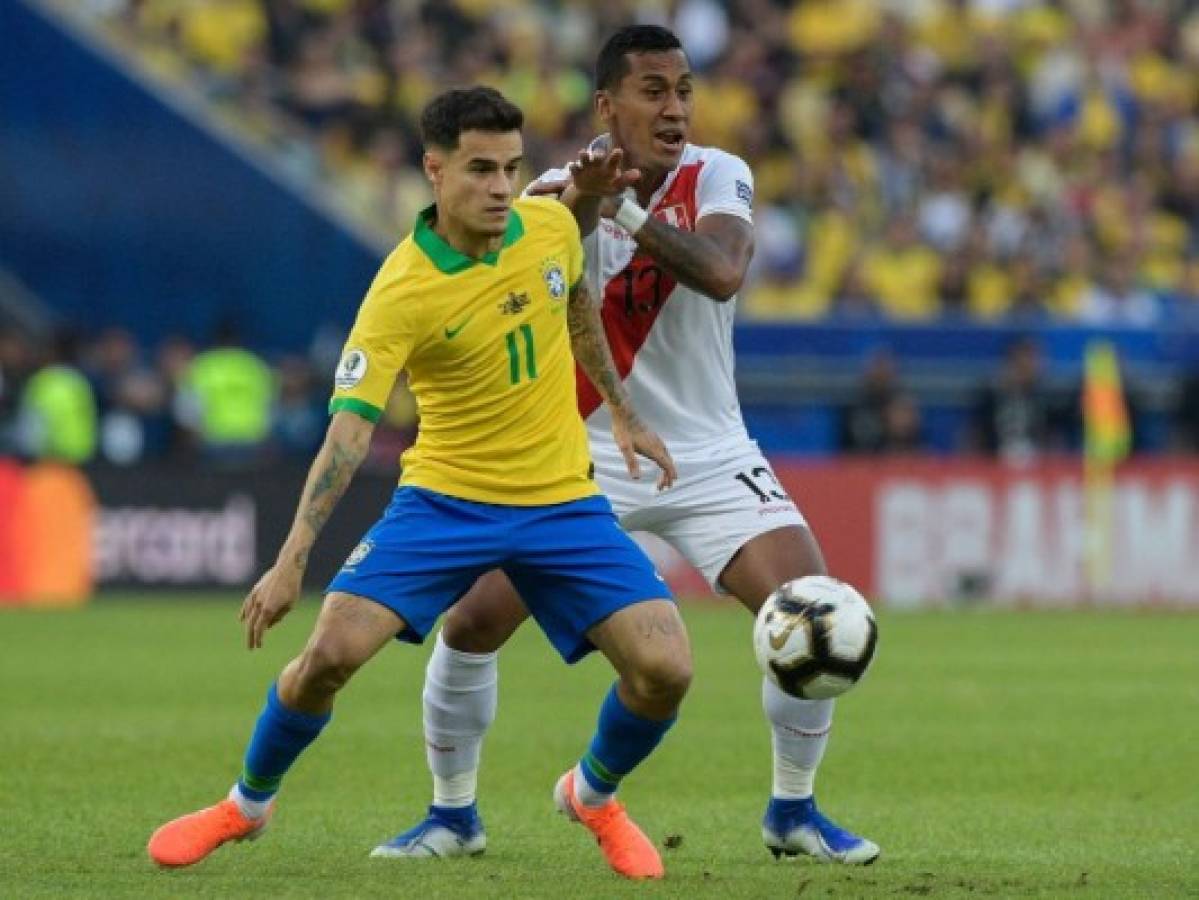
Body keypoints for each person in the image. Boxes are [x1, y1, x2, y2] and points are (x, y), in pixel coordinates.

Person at [146, 85, 690, 882]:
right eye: (480, 170)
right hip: (444, 500)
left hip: (558, 502)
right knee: (326, 656)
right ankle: (245, 805)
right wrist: (293, 556)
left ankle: (593, 795)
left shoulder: (545, 228)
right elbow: (349, 431)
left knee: (666, 671)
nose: (502, 187)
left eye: (510, 167)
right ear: (434, 171)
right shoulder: (400, 289)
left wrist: (622, 410)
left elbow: (573, 299)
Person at [378, 26, 879, 866]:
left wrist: (627, 209)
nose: (674, 106)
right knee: (470, 622)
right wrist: (586, 202)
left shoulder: (719, 175)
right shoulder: (542, 196)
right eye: (652, 90)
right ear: (607, 106)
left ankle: (789, 809)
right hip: (573, 456)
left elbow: (721, 271)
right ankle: (451, 815)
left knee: (810, 606)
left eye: (683, 88)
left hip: (710, 449)